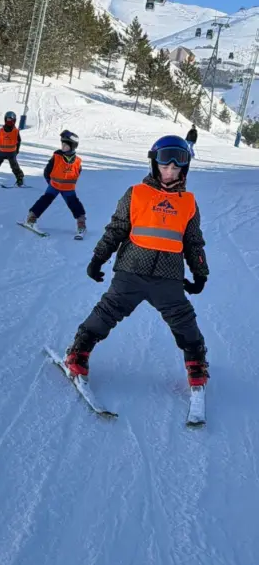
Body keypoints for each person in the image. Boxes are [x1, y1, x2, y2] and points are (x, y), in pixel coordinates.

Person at [64, 135, 209, 388]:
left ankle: (196, 363)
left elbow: (193, 241)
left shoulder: (188, 203)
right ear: (155, 165)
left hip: (168, 277)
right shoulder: (136, 194)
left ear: (184, 169)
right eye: (165, 166)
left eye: (176, 168)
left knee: (183, 319)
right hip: (131, 271)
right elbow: (116, 230)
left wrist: (200, 272)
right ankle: (79, 350)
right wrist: (98, 258)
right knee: (107, 312)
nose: (170, 172)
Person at [24, 130, 86, 236]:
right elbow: (47, 171)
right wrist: (51, 182)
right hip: (54, 186)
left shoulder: (78, 161)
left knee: (75, 204)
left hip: (68, 189)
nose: (63, 147)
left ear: (72, 146)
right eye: (62, 144)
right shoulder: (56, 157)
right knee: (44, 201)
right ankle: (31, 219)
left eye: (65, 145)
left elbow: (77, 172)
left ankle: (81, 224)